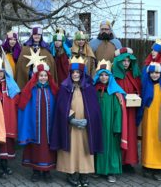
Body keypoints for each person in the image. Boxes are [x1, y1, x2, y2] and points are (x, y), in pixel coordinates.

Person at [50, 57, 103, 187]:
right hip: (70, 126)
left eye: (78, 72)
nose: (75, 75)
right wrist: (71, 118)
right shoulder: (64, 87)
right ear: (70, 73)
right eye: (73, 72)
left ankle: (84, 174)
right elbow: (61, 107)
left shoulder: (89, 88)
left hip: (85, 127)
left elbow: (94, 108)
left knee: (84, 148)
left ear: (82, 73)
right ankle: (71, 173)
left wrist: (88, 119)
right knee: (71, 149)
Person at [17, 61, 58, 182]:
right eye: (41, 75)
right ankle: (35, 171)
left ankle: (47, 172)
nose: (43, 78)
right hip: (34, 126)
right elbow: (24, 107)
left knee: (49, 148)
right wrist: (26, 125)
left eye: (45, 75)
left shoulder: (53, 90)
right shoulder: (30, 90)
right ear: (36, 76)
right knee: (34, 147)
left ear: (48, 76)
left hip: (48, 127)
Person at [93, 59, 127, 183]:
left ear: (110, 76)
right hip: (98, 125)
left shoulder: (115, 93)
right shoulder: (94, 90)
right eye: (101, 75)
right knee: (98, 146)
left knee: (111, 148)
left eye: (106, 74)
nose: (103, 77)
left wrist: (117, 127)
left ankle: (111, 172)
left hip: (111, 127)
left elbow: (119, 111)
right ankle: (99, 169)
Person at [112, 47, 142, 170]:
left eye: (128, 61)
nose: (125, 63)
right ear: (118, 61)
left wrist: (136, 95)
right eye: (123, 61)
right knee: (118, 134)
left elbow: (138, 89)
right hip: (119, 111)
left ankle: (128, 162)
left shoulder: (133, 75)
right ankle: (119, 161)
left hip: (131, 111)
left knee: (130, 135)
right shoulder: (114, 76)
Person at [0, 57, 20, 177]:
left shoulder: (10, 85)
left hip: (7, 117)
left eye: (1, 71)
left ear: (5, 72)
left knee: (7, 142)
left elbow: (17, 100)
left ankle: (5, 165)